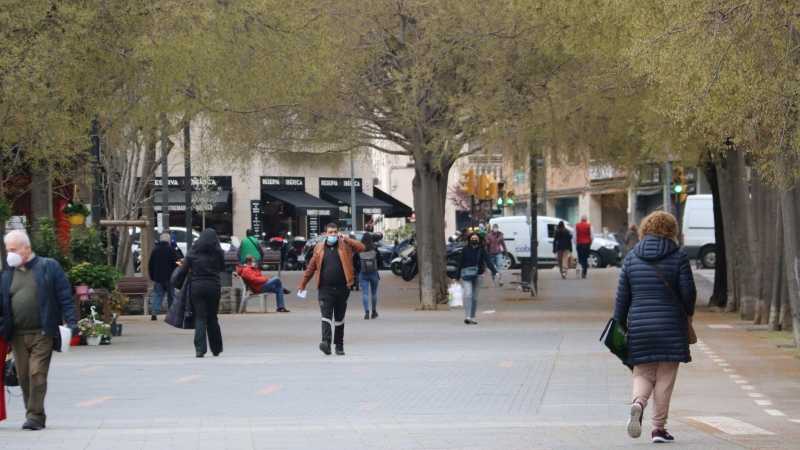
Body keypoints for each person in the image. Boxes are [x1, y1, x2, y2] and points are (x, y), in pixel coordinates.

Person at [614, 211, 696, 444]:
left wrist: (619, 326)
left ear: (644, 230)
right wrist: (687, 314)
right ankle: (658, 429)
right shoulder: (679, 257)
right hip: (671, 325)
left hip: (639, 326)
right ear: (671, 231)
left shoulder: (631, 258)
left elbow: (622, 298)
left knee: (642, 372)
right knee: (665, 378)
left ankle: (638, 403)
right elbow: (688, 293)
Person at [0, 230, 78, 430]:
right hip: (17, 334)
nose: (10, 254)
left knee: (37, 372)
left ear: (26, 248)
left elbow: (64, 297)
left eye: (13, 249)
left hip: (43, 332)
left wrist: (72, 322)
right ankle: (35, 414)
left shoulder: (48, 267)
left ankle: (34, 416)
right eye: (8, 250)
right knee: (24, 375)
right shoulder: (8, 274)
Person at [298, 223, 365, 356]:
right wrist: (303, 283)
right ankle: (326, 343)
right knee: (326, 316)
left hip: (342, 288)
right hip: (325, 288)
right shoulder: (319, 248)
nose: (333, 234)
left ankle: (339, 345)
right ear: (325, 234)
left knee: (339, 318)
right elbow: (311, 267)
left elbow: (361, 248)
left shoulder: (345, 246)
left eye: (335, 232)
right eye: (330, 232)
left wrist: (346, 238)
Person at [176, 229, 225, 358]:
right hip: (213, 286)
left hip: (197, 287)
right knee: (212, 317)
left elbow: (183, 270)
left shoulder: (192, 253)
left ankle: (200, 349)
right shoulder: (218, 253)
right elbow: (223, 268)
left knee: (200, 317)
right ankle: (216, 348)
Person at [453, 232, 498, 325]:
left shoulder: (482, 250)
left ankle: (473, 317)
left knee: (474, 297)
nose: (474, 240)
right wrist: (456, 277)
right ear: (469, 239)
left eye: (476, 238)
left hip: (478, 275)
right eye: (472, 238)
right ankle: (467, 316)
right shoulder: (465, 250)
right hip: (466, 275)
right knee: (468, 294)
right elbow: (460, 264)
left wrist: (494, 271)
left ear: (479, 240)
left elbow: (488, 261)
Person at [148, 233, 180, 320]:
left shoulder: (155, 250)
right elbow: (176, 263)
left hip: (158, 277)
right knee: (171, 295)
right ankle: (171, 313)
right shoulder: (172, 250)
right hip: (170, 277)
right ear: (168, 240)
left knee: (158, 295)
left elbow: (150, 264)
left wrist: (152, 276)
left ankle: (154, 312)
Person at [356, 232, 383, 319]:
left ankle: (366, 312)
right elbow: (380, 261)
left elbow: (354, 261)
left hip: (363, 273)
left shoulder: (360, 249)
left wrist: (358, 270)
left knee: (365, 293)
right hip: (373, 273)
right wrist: (376, 268)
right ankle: (374, 311)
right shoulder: (374, 249)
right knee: (374, 292)